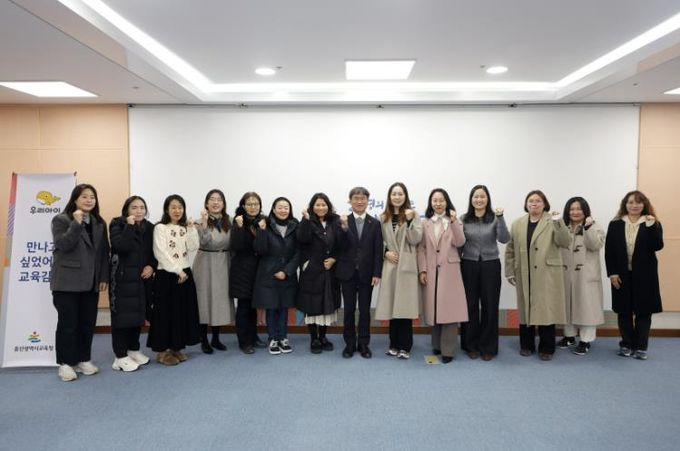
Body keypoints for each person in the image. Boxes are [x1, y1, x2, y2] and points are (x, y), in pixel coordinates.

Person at [50, 184, 110, 381]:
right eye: (84, 196)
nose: (89, 200)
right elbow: (63, 245)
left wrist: (103, 277)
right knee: (68, 324)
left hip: (91, 283)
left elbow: (103, 252)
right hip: (66, 283)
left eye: (92, 196)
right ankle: (66, 364)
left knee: (87, 323)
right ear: (75, 199)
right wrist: (76, 223)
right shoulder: (61, 219)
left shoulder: (99, 222)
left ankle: (84, 359)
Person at [505, 190, 570, 361]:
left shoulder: (553, 220)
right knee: (525, 308)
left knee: (546, 309)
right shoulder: (517, 223)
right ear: (526, 204)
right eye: (531, 200)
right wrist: (510, 271)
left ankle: (547, 348)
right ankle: (526, 345)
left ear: (544, 204)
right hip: (524, 271)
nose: (534, 203)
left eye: (538, 201)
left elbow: (565, 241)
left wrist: (558, 222)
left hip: (546, 273)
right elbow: (510, 249)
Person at [605, 190, 663, 360]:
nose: (634, 205)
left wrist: (651, 227)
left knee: (643, 312)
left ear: (644, 205)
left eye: (638, 202)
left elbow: (657, 245)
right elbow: (609, 252)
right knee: (624, 311)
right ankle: (626, 344)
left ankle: (641, 346)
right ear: (625, 204)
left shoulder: (652, 223)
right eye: (630, 202)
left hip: (645, 276)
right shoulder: (615, 224)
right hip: (621, 275)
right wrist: (612, 273)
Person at [147, 194, 200, 366]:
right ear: (167, 209)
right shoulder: (160, 228)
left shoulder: (184, 228)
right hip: (167, 274)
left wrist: (191, 229)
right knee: (164, 313)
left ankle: (176, 347)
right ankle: (162, 352)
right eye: (173, 207)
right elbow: (160, 253)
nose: (177, 211)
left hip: (185, 272)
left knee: (181, 312)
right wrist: (178, 271)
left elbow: (193, 247)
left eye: (180, 207)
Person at [417, 188, 467, 364]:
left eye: (441, 200)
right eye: (435, 200)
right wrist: (422, 270)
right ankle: (437, 345)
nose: (438, 203)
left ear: (447, 202)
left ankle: (448, 350)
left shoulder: (455, 221)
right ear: (431, 203)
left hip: (450, 271)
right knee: (435, 308)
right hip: (431, 271)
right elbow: (421, 248)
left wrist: (453, 222)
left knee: (449, 311)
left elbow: (460, 242)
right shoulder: (425, 223)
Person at [460, 185, 509, 361]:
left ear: (487, 199)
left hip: (490, 265)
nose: (479, 200)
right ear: (471, 199)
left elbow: (504, 238)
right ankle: (470, 345)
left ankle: (488, 347)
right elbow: (459, 243)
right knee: (470, 306)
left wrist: (501, 218)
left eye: (482, 197)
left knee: (490, 306)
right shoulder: (464, 219)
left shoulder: (495, 218)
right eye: (476, 196)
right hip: (469, 264)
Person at [375, 182, 423, 360]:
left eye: (400, 194)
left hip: (406, 265)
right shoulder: (383, 218)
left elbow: (416, 239)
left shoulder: (413, 215)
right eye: (394, 194)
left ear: (405, 196)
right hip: (390, 265)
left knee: (405, 307)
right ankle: (393, 344)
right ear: (389, 197)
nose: (397, 197)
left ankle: (405, 346)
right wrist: (385, 253)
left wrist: (409, 221)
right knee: (391, 308)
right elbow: (378, 241)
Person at [108, 195, 156, 372]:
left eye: (142, 207)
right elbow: (121, 247)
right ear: (126, 210)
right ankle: (120, 356)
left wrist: (152, 265)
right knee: (122, 317)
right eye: (134, 207)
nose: (139, 211)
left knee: (138, 315)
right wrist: (129, 226)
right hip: (122, 279)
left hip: (142, 278)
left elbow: (155, 251)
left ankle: (133, 349)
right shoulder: (117, 224)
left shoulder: (149, 227)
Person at [336, 187, 383, 359]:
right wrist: (344, 228)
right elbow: (339, 246)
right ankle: (349, 344)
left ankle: (363, 344)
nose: (360, 201)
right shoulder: (343, 221)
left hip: (367, 274)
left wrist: (377, 273)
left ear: (368, 201)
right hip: (347, 273)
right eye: (356, 198)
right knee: (348, 310)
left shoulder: (374, 223)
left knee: (364, 311)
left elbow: (378, 250)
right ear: (350, 201)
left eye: (363, 198)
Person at [557, 197, 605, 356]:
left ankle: (586, 340)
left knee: (587, 307)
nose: (575, 212)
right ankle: (569, 336)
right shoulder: (563, 227)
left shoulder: (594, 226)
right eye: (572, 209)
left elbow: (595, 245)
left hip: (586, 274)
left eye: (579, 209)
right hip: (565, 273)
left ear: (585, 211)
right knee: (567, 305)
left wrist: (588, 228)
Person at [253, 197, 300, 355]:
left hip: (287, 273)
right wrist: (261, 231)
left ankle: (283, 338)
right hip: (268, 273)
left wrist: (286, 271)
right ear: (273, 209)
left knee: (284, 308)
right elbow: (260, 250)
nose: (283, 210)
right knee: (271, 308)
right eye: (279, 207)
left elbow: (298, 252)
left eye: (286, 207)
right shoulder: (265, 225)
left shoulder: (295, 225)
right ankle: (273, 338)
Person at [297, 193, 342, 354]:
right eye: (317, 205)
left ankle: (323, 337)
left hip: (330, 270)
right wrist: (305, 220)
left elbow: (342, 244)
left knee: (327, 304)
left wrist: (334, 259)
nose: (321, 208)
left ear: (328, 206)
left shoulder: (335, 221)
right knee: (312, 304)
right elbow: (302, 239)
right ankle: (313, 339)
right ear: (312, 206)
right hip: (312, 270)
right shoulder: (307, 220)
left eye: (324, 204)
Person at [193, 189, 234, 354]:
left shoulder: (230, 222)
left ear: (223, 204)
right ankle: (203, 339)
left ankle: (216, 338)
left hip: (224, 262)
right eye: (212, 199)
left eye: (219, 199)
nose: (216, 202)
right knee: (204, 300)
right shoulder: (198, 223)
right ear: (206, 203)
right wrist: (204, 223)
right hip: (205, 262)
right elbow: (203, 242)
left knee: (220, 300)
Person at [230, 192, 267, 354]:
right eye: (249, 204)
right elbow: (237, 246)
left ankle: (253, 336)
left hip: (258, 270)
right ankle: (244, 341)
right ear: (243, 206)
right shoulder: (238, 221)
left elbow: (263, 248)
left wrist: (263, 230)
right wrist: (239, 227)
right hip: (242, 271)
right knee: (244, 307)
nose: (253, 207)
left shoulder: (262, 222)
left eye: (256, 204)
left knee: (254, 306)